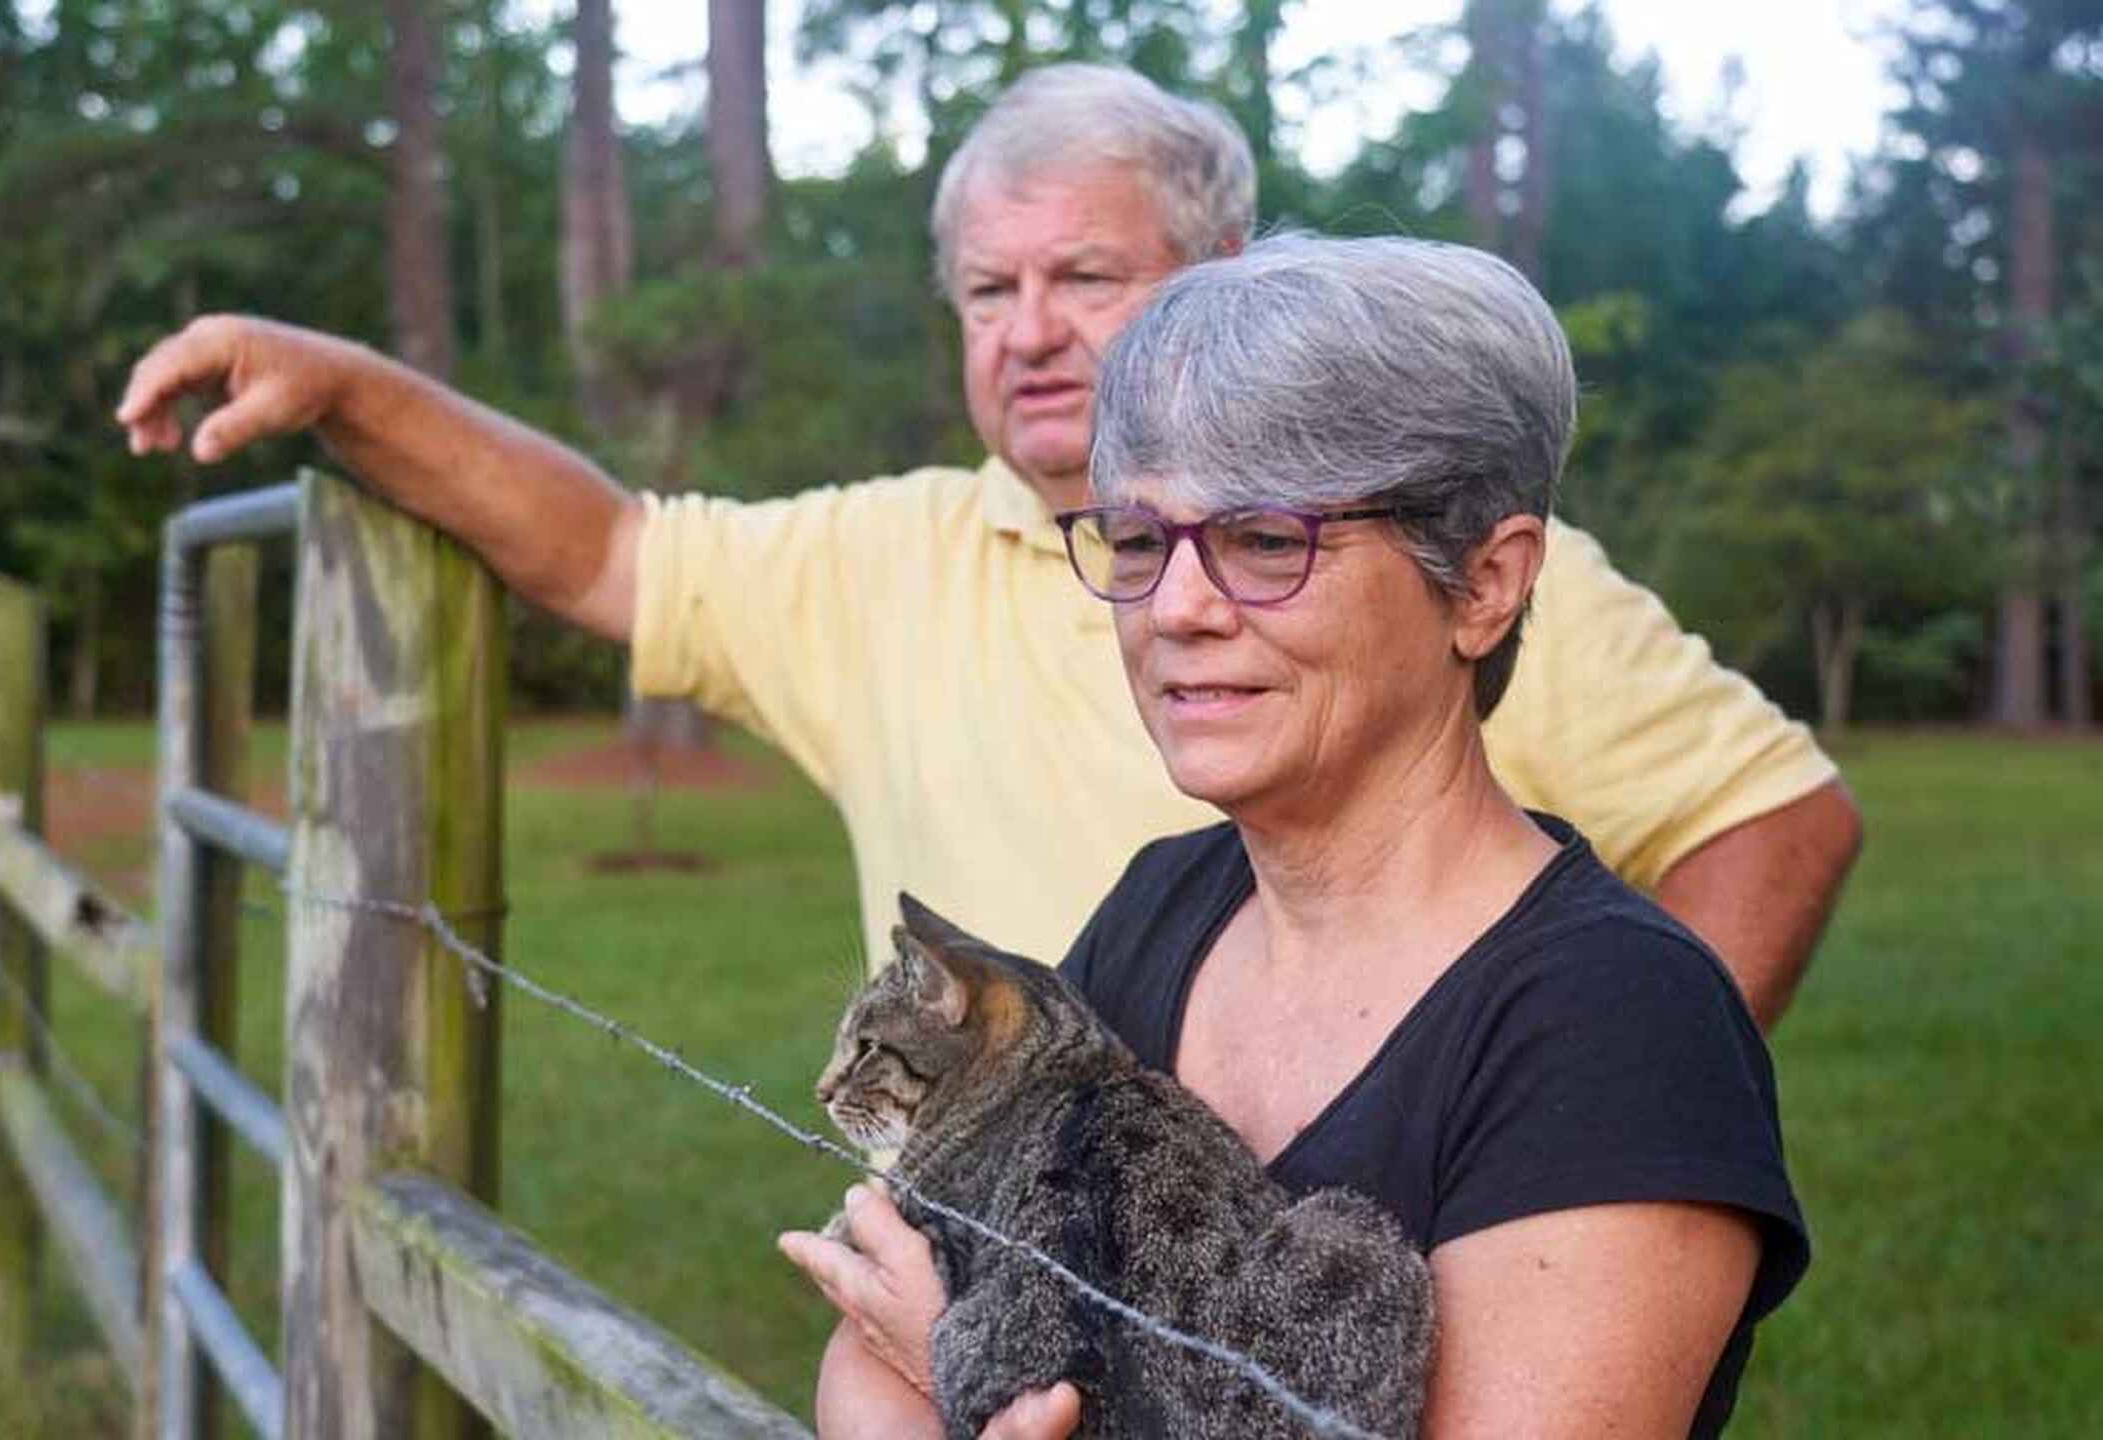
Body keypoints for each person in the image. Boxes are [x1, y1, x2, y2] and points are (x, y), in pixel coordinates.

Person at [116, 63, 1860, 1028]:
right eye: (988, 290)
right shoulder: (881, 564)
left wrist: (1574, 1153)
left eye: (1088, 280)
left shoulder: (1406, 561)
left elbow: (1775, 824)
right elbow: (595, 550)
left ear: (1222, 270)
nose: (1031, 333)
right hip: (977, 1327)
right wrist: (347, 385)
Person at [782, 234, 1807, 1439]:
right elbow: (861, 1363)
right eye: (1140, 539)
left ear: (1484, 583)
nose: (1175, 610)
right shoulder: (1167, 903)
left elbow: (928, 1343)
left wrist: (963, 1369)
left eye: (1268, 542)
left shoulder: (1614, 1024)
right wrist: (945, 1365)